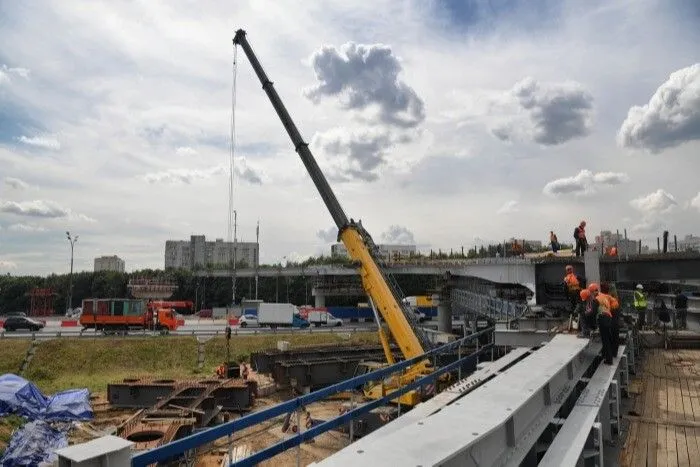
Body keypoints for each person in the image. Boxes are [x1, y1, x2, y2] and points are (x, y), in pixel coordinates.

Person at [589, 283, 614, 364]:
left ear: (592, 292)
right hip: (609, 318)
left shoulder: (595, 300)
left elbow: (593, 313)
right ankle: (606, 355)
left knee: (605, 340)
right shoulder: (603, 296)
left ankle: (609, 360)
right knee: (608, 338)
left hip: (603, 320)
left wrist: (593, 325)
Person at [600, 282, 620, 358]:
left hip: (611, 318)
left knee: (609, 336)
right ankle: (614, 353)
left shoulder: (607, 298)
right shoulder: (614, 297)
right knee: (615, 335)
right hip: (615, 317)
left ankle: (610, 354)